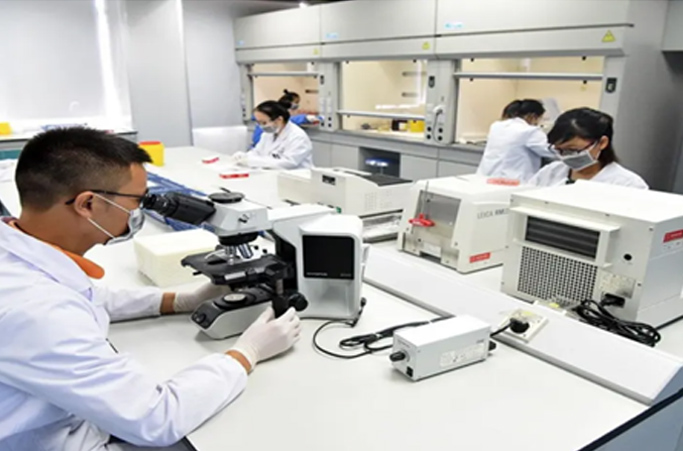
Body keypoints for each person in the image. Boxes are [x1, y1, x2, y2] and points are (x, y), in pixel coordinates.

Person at [0, 128, 302, 450]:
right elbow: (157, 419)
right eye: (137, 201)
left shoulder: (17, 254)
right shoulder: (39, 312)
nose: (138, 212)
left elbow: (91, 297)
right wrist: (245, 354)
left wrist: (179, 300)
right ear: (88, 204)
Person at [528, 108, 648, 189]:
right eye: (559, 150)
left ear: (602, 143)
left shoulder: (628, 184)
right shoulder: (550, 172)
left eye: (572, 150)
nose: (565, 156)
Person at [476, 99, 555, 183]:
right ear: (533, 116)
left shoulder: (496, 126)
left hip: (485, 177)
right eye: (540, 119)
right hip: (511, 181)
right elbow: (550, 152)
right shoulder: (530, 131)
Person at [234, 100, 314, 170]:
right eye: (258, 122)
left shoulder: (297, 137)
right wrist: (244, 157)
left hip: (295, 178)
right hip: (272, 175)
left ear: (279, 119)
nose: (261, 126)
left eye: (264, 122)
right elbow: (257, 152)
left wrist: (255, 162)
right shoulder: (267, 134)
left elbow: (288, 163)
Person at [250, 90, 319, 148]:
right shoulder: (268, 132)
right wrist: (314, 118)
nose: (262, 125)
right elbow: (295, 119)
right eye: (296, 105)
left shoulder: (298, 136)